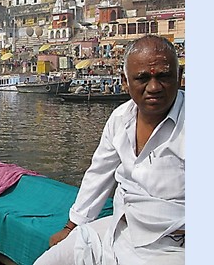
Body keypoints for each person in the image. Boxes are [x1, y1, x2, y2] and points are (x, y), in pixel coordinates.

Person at [34, 35, 184, 265]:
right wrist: (72, 226)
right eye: (142, 78)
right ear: (125, 81)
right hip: (119, 228)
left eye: (163, 76)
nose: (154, 87)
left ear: (179, 77)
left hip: (172, 245)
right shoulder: (120, 118)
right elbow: (99, 174)